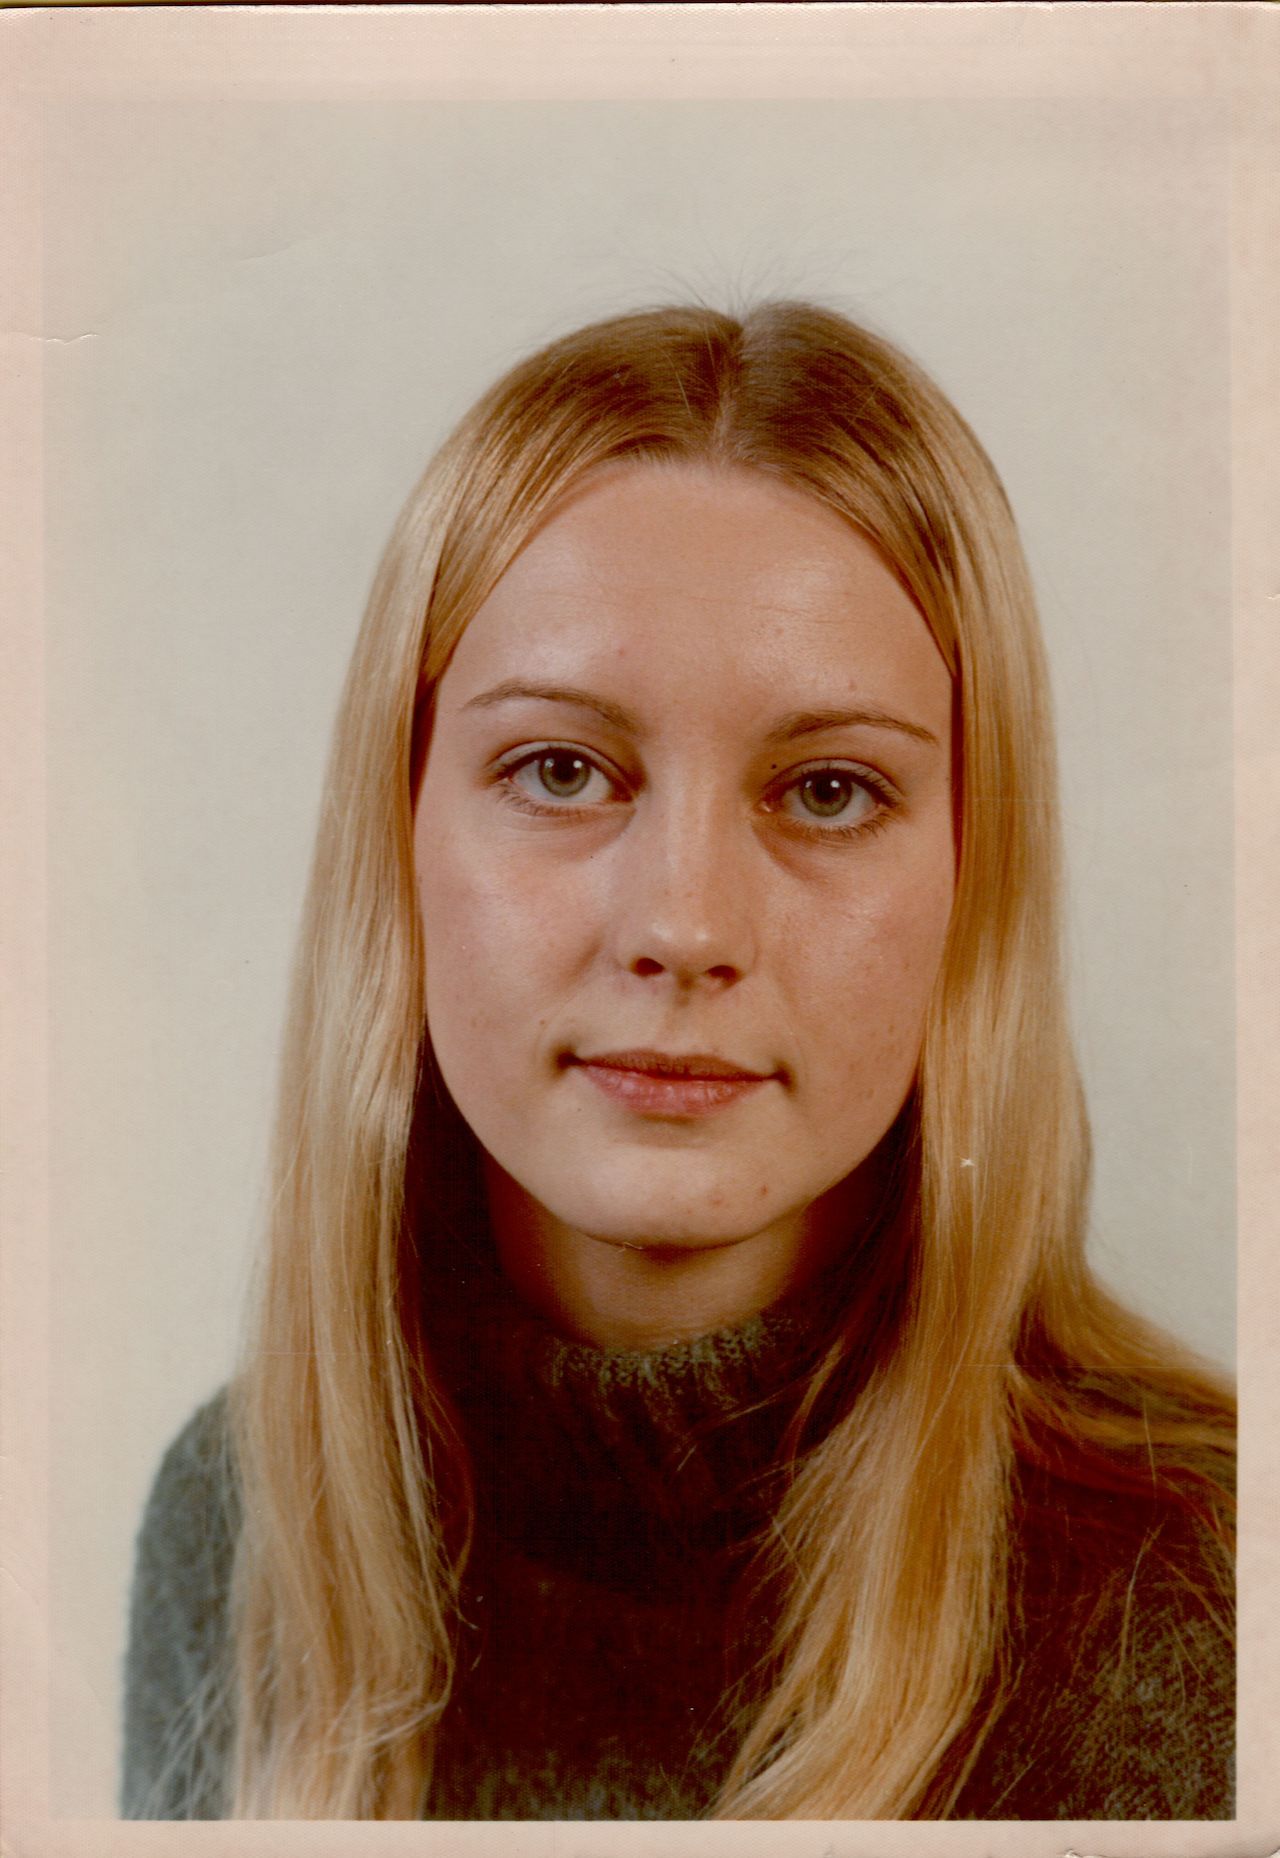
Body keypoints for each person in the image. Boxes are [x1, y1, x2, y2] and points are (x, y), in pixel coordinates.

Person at [121, 301, 1235, 1822]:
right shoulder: (239, 1522)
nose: (685, 923)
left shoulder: (1210, 1594)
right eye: (562, 770)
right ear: (400, 834)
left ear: (976, 873)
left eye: (829, 790)